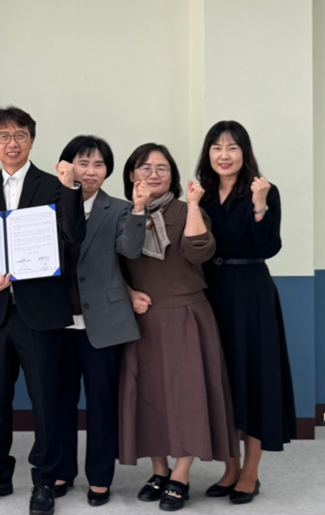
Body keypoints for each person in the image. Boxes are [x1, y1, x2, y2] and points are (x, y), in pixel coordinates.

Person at [0, 106, 85, 515]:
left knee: (45, 401)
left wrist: (71, 188)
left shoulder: (54, 185)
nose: (11, 143)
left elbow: (74, 236)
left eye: (19, 135)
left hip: (41, 312)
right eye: (3, 136)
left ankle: (44, 480)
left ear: (32, 140)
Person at [119, 143, 239, 512]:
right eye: (145, 167)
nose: (153, 174)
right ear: (131, 175)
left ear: (172, 174)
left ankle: (181, 475)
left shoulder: (188, 209)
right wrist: (128, 293)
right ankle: (158, 469)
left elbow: (198, 251)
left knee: (187, 396)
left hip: (187, 313)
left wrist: (193, 207)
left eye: (162, 168)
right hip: (143, 317)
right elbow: (118, 260)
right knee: (149, 396)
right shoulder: (123, 214)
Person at [195, 121, 296, 504]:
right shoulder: (201, 196)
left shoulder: (263, 190)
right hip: (212, 293)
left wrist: (258, 205)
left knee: (255, 380)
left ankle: (250, 472)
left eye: (232, 147)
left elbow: (269, 247)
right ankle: (230, 467)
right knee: (222, 383)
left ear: (245, 152)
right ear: (208, 153)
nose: (224, 155)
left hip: (252, 294)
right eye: (216, 147)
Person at [51, 136, 148, 507]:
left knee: (102, 403)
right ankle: (62, 469)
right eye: (83, 163)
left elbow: (129, 249)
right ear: (66, 166)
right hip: (58, 320)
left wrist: (139, 210)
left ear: (107, 171)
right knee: (59, 402)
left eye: (99, 165)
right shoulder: (49, 202)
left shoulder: (120, 208)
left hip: (103, 321)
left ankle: (100, 478)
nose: (90, 171)